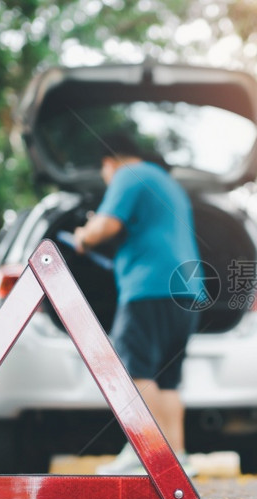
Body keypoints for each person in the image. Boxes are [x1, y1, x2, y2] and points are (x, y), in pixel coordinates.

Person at [73, 134, 202, 476]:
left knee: (134, 372)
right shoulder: (168, 184)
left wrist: (82, 236)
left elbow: (106, 225)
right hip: (187, 290)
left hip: (149, 287)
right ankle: (178, 458)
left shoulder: (127, 175)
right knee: (168, 378)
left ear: (108, 164)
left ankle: (144, 453)